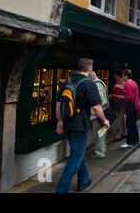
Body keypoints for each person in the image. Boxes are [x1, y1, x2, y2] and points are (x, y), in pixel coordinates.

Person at [55, 58, 110, 193]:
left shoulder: (67, 82)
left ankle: (83, 180)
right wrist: (104, 120)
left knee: (78, 153)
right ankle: (61, 190)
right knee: (75, 158)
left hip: (68, 123)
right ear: (89, 69)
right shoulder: (89, 84)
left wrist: (60, 121)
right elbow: (97, 107)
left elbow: (58, 103)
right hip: (80, 124)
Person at [88, 71, 109, 158]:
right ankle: (101, 148)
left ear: (91, 77)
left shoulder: (97, 84)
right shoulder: (100, 83)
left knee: (99, 133)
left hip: (98, 114)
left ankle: (100, 152)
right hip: (100, 112)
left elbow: (100, 100)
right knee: (101, 133)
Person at [119, 69, 140, 148]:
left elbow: (129, 97)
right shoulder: (134, 83)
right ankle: (136, 139)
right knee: (133, 124)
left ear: (126, 76)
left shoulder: (128, 84)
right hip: (136, 105)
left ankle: (129, 142)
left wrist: (122, 97)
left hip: (131, 107)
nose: (122, 77)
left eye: (122, 75)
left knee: (130, 124)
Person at [108, 69, 126, 142]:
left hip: (120, 102)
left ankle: (118, 134)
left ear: (116, 75)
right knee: (122, 117)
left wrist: (118, 87)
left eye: (114, 76)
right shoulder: (118, 82)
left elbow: (126, 90)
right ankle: (124, 132)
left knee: (118, 117)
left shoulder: (122, 82)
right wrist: (112, 95)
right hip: (117, 101)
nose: (114, 77)